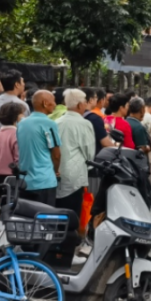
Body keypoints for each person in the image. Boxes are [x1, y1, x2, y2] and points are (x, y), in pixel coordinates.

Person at [15, 90, 61, 205]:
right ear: (45, 103)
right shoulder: (49, 124)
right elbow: (56, 154)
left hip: (24, 181)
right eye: (53, 101)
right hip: (44, 181)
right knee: (45, 214)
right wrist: (55, 171)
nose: (55, 105)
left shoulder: (21, 123)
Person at [55, 89, 95, 217]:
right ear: (79, 105)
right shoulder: (84, 124)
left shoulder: (57, 122)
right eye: (85, 102)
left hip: (55, 172)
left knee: (56, 213)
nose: (86, 104)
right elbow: (89, 154)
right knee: (72, 215)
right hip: (75, 175)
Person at [0, 101, 24, 182]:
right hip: (13, 176)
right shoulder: (17, 133)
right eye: (22, 114)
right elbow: (19, 158)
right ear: (17, 117)